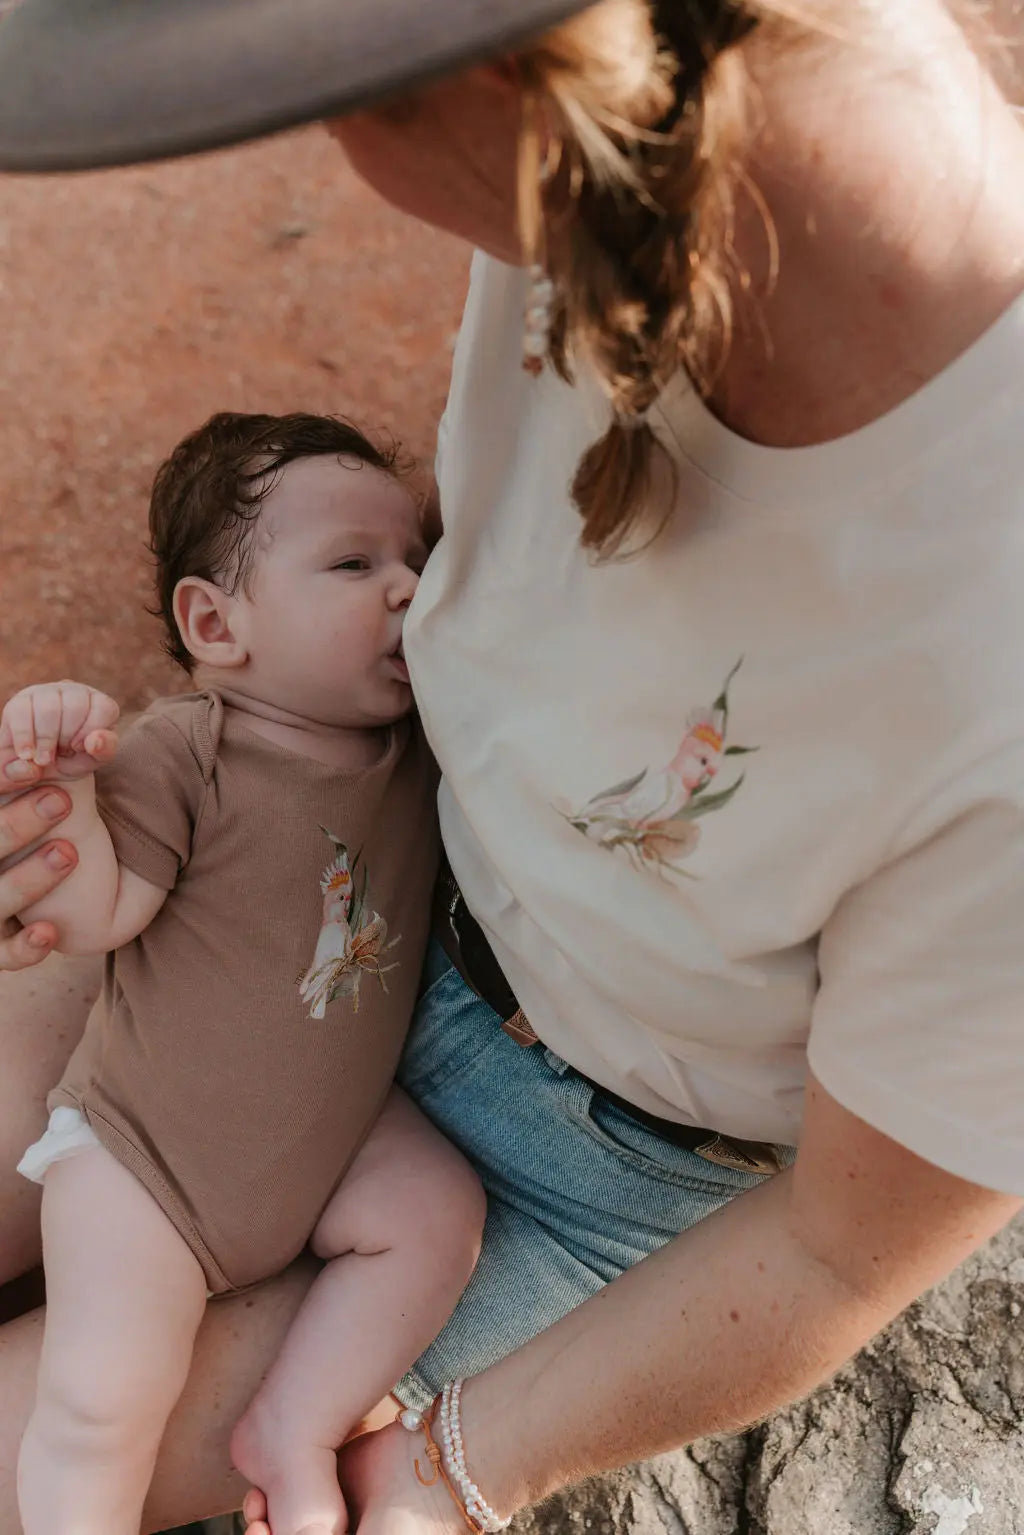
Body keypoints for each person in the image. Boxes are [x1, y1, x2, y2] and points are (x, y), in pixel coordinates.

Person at [0, 1, 1023, 1532]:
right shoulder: (618, 185)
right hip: (319, 875)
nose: (334, 149)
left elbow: (841, 1245)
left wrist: (455, 1465)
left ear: (511, 83)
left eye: (334, 97)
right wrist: (170, 784)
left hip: (581, 1170)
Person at [0, 412, 484, 1535]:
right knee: (104, 1399)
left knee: (436, 1215)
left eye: (414, 558)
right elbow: (95, 909)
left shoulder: (414, 752)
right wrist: (64, 781)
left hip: (326, 1137)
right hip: (144, 1165)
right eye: (354, 564)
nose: (408, 586)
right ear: (216, 624)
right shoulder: (190, 749)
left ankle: (294, 1426)